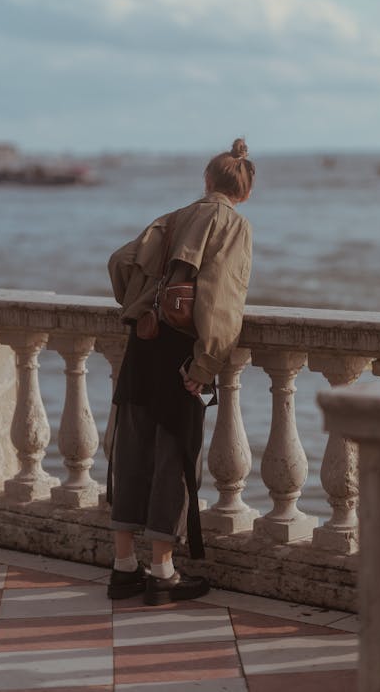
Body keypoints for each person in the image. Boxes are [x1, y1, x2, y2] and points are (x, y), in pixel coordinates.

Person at [106, 138, 255, 605]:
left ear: (207, 180)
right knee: (173, 458)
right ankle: (162, 572)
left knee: (131, 454)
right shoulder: (231, 223)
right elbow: (221, 299)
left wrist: (137, 302)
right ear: (243, 191)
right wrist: (205, 363)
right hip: (178, 355)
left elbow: (119, 262)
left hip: (141, 345)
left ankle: (123, 567)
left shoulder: (170, 218)